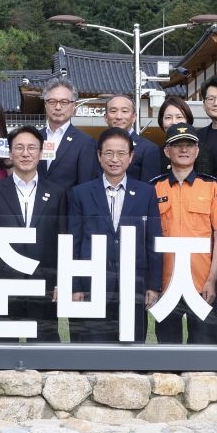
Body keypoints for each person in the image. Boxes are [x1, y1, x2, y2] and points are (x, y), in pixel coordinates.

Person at [68, 127, 162, 342]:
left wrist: (153, 285)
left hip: (134, 284)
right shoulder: (80, 193)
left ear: (130, 157)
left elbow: (153, 240)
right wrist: (75, 285)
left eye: (121, 154)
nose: (114, 159)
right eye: (108, 153)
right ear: (99, 156)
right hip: (93, 284)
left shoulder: (146, 193)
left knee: (132, 349)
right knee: (93, 345)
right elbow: (74, 240)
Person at [0, 125, 68, 342]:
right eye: (19, 148)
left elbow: (63, 238)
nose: (25, 153)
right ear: (10, 153)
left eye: (31, 148)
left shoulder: (56, 193)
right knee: (3, 350)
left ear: (41, 152)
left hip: (44, 282)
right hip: (4, 282)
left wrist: (61, 281)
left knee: (45, 350)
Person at [153, 124, 217, 344]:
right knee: (167, 351)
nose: (183, 150)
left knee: (204, 353)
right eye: (177, 145)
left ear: (197, 151)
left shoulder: (213, 187)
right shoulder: (154, 188)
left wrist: (212, 279)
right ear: (167, 151)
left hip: (202, 284)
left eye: (189, 145)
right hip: (165, 284)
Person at [38, 77, 99, 191]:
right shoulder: (34, 137)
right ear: (45, 105)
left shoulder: (85, 143)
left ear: (73, 107)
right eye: (52, 102)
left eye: (64, 102)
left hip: (67, 207)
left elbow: (85, 186)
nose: (57, 107)